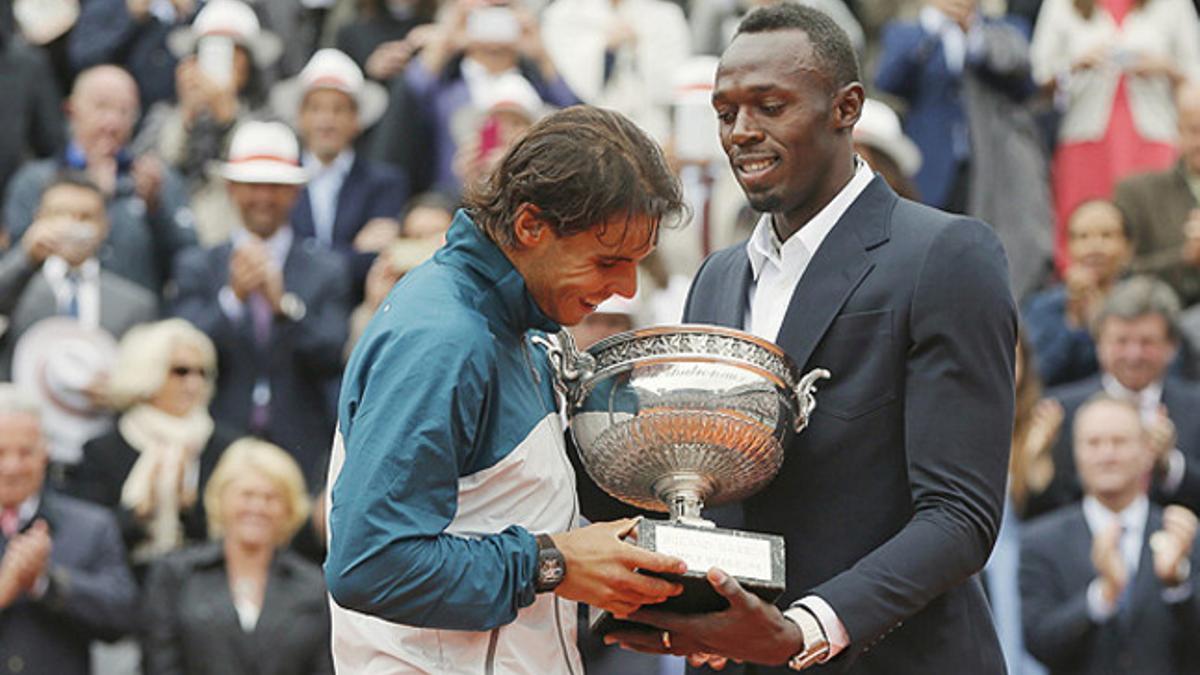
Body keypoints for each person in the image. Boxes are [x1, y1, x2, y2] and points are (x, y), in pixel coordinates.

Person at [601, 6, 1017, 672]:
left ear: (845, 107)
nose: (742, 132)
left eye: (769, 106)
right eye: (725, 112)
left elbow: (959, 516)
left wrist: (802, 629)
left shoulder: (945, 254)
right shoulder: (717, 275)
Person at [325, 105, 691, 673]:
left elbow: (513, 517)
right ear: (530, 227)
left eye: (637, 263)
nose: (625, 288)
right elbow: (369, 564)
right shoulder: (443, 337)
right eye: (608, 261)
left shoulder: (522, 320)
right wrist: (551, 563)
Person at [171, 120, 351, 486]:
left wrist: (282, 307)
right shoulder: (198, 265)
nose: (263, 198)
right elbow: (183, 348)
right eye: (252, 186)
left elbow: (332, 353)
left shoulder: (326, 268)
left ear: (296, 193)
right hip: (217, 437)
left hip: (301, 443)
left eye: (276, 187)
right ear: (231, 189)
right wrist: (232, 299)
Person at [875, 0, 1052, 298]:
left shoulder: (1004, 29)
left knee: (985, 247)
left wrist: (972, 35)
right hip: (930, 164)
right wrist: (935, 31)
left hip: (995, 167)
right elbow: (888, 79)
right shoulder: (908, 32)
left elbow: (1021, 76)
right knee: (925, 244)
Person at [1019, 395, 1200, 674]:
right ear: (1075, 453)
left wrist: (1177, 585)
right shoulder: (1039, 542)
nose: (1107, 455)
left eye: (1119, 442)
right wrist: (1103, 595)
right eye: (1093, 443)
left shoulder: (1184, 534)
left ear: (1147, 452)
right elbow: (1038, 643)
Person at [1029, 0, 1200, 272]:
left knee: (1155, 228)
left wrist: (1165, 67)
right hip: (1084, 140)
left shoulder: (1174, 5)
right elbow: (1034, 79)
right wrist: (1074, 65)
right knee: (1082, 233)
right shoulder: (1060, 5)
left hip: (1154, 137)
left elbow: (1194, 76)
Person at [141, 437, 333, 674]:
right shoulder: (175, 574)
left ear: (289, 508)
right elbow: (159, 663)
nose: (257, 507)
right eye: (247, 495)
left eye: (271, 498)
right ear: (220, 499)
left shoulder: (314, 585)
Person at [2, 64, 197, 295]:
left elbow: (189, 266)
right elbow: (11, 272)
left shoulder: (157, 181)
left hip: (135, 323)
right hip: (50, 320)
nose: (112, 123)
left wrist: (157, 209)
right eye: (101, 107)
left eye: (124, 111)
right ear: (71, 110)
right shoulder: (34, 181)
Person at [67, 319, 238, 579]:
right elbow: (86, 539)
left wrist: (188, 507)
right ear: (147, 372)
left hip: (203, 590)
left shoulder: (227, 448)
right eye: (180, 371)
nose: (193, 384)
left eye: (202, 372)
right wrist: (137, 513)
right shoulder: (103, 450)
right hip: (127, 585)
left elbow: (236, 535)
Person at [0, 383, 139, 675]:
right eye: (0, 452)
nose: (12, 467)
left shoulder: (91, 526)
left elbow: (123, 615)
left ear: (45, 453)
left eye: (25, 452)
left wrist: (46, 583)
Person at [1035, 276, 1200, 519]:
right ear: (1099, 343)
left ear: (1172, 347)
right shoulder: (1059, 411)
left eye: (1147, 342)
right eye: (1121, 341)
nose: (1134, 355)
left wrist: (1170, 465)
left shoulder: (1196, 407)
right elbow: (1042, 508)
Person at [272, 47, 409, 292]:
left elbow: (376, 262)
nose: (327, 120)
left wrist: (305, 256)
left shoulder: (385, 184)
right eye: (316, 109)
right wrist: (351, 252)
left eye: (339, 109)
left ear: (357, 119)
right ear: (300, 118)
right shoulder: (277, 180)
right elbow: (274, 255)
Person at [0, 172, 158, 380]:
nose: (72, 225)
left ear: (105, 226)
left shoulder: (135, 305)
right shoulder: (17, 287)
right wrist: (25, 256)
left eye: (85, 217)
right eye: (60, 214)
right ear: (39, 219)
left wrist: (116, 392)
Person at [1022, 199, 1132, 387]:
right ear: (1067, 248)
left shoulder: (1144, 302)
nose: (1095, 247)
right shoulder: (1042, 307)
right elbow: (1036, 376)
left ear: (1128, 247)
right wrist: (1074, 322)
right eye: (1082, 237)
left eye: (1107, 236)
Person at [1114, 83, 1200, 306]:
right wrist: (1186, 258)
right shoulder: (1138, 192)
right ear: (1178, 131)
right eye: (1195, 130)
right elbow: (1120, 272)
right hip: (1163, 321)